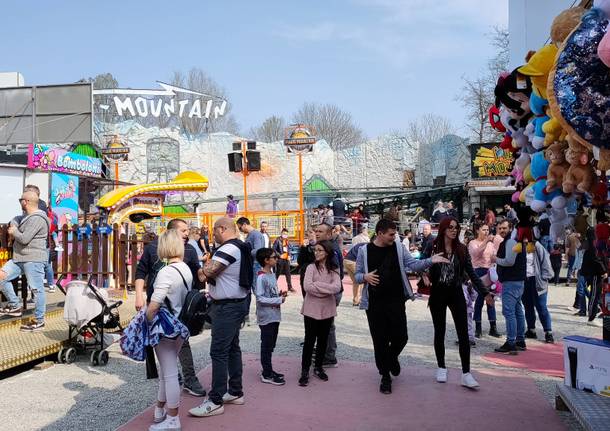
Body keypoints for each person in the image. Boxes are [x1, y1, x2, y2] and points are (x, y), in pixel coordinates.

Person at [355, 219, 448, 394]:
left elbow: (413, 264)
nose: (394, 236)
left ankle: (391, 359)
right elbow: (357, 275)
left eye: (395, 233)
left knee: (401, 337)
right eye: (391, 234)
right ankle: (385, 376)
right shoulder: (364, 251)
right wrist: (365, 277)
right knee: (380, 340)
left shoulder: (397, 247)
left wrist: (431, 260)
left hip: (396, 300)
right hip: (374, 304)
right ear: (380, 233)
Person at [134, 218, 206, 397]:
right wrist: (138, 296)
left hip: (180, 309)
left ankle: (189, 378)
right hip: (157, 306)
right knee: (161, 343)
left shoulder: (188, 249)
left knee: (183, 343)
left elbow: (198, 273)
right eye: (183, 230)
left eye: (187, 230)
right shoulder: (153, 248)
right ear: (172, 232)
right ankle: (172, 375)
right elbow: (141, 272)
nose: (187, 233)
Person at [189, 217, 252, 418]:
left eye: (214, 231)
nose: (211, 235)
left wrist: (202, 266)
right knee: (232, 348)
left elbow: (203, 275)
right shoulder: (241, 246)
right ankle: (235, 391)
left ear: (222, 229)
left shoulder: (227, 249)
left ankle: (215, 399)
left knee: (218, 351)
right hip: (237, 303)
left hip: (227, 307)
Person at [428, 217, 491, 389]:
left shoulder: (462, 249)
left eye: (456, 227)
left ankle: (466, 373)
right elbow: (422, 265)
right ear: (443, 229)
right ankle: (441, 367)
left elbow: (471, 273)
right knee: (439, 331)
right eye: (450, 227)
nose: (454, 230)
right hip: (438, 294)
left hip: (456, 292)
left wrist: (485, 293)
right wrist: (424, 275)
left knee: (463, 333)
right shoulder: (433, 246)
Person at [146, 230, 193, 431]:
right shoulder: (185, 268)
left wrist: (146, 319)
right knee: (168, 370)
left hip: (165, 327)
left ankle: (173, 418)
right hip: (180, 325)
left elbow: (155, 304)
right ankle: (160, 409)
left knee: (170, 373)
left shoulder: (165, 271)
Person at [0, 191, 49, 332]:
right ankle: (15, 305)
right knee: (2, 276)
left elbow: (24, 238)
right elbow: (16, 218)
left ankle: (39, 321)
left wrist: (14, 231)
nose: (19, 201)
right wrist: (15, 224)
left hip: (33, 259)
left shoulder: (38, 218)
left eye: (20, 199)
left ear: (25, 201)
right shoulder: (27, 217)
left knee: (37, 289)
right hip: (19, 258)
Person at [298, 240, 342, 387]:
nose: (316, 253)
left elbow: (336, 287)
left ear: (327, 253)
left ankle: (318, 367)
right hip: (311, 308)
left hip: (327, 309)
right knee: (309, 340)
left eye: (320, 250)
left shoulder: (334, 268)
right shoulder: (311, 267)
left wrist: (318, 286)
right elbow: (307, 287)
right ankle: (305, 370)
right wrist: (326, 289)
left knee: (323, 340)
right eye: (315, 250)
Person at [494, 220, 527, 355]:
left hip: (511, 281)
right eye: (500, 228)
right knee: (518, 311)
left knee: (509, 313)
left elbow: (509, 261)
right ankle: (520, 340)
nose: (502, 230)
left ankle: (511, 342)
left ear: (510, 228)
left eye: (504, 228)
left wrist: (494, 259)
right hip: (517, 281)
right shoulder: (513, 240)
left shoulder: (510, 241)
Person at [254, 248, 286, 385]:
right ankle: (266, 373)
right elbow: (260, 298)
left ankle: (269, 369)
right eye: (274, 257)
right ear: (266, 260)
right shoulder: (261, 277)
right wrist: (277, 300)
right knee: (266, 345)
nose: (276, 259)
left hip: (274, 315)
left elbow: (269, 293)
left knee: (271, 344)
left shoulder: (271, 274)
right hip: (266, 317)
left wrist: (278, 295)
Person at [314, 223, 344, 368]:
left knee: (327, 324)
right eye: (316, 231)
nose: (317, 233)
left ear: (329, 234)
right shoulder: (326, 247)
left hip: (330, 293)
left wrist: (321, 286)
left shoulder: (331, 250)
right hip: (328, 292)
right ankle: (325, 351)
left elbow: (336, 274)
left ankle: (329, 356)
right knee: (324, 323)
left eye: (320, 231)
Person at [467, 222, 502, 339]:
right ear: (477, 230)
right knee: (480, 299)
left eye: (488, 230)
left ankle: (493, 327)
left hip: (489, 272)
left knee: (490, 298)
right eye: (484, 230)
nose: (486, 232)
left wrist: (495, 261)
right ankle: (478, 327)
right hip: (478, 272)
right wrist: (486, 241)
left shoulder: (491, 244)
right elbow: (476, 254)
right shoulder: (472, 243)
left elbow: (493, 256)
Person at [522, 238, 555, 343]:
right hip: (524, 280)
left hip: (537, 280)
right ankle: (531, 329)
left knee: (541, 306)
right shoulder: (518, 245)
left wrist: (544, 277)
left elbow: (546, 261)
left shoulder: (537, 245)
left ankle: (548, 332)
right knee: (528, 305)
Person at [237, 217, 266, 322]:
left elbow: (258, 251)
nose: (240, 230)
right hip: (251, 265)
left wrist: (246, 250)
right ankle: (247, 314)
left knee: (257, 290)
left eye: (240, 228)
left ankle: (261, 314)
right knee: (249, 290)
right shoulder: (251, 235)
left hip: (255, 265)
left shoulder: (256, 235)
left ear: (244, 224)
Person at [580, 228, 607, 326]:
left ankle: (593, 314)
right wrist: (603, 271)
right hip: (595, 274)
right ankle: (591, 317)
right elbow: (596, 259)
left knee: (596, 295)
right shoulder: (592, 245)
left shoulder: (590, 244)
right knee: (594, 295)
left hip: (593, 273)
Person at [344, 240, 368, 306]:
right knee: (361, 280)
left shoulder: (362, 244)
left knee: (356, 282)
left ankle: (355, 300)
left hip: (346, 261)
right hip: (353, 261)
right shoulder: (368, 247)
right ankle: (361, 299)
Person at [272, 228, 294, 292]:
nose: (285, 235)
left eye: (286, 234)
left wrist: (289, 255)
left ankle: (290, 287)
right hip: (280, 259)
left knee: (288, 274)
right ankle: (272, 286)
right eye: (284, 233)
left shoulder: (287, 240)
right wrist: (279, 255)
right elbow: (274, 249)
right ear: (281, 233)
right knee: (277, 273)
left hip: (286, 259)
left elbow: (288, 249)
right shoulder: (277, 240)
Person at [297, 228, 316, 297]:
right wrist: (304, 248)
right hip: (305, 271)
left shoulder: (319, 246)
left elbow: (314, 259)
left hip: (315, 273)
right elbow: (299, 261)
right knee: (305, 295)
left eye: (311, 233)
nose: (309, 235)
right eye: (307, 234)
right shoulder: (304, 246)